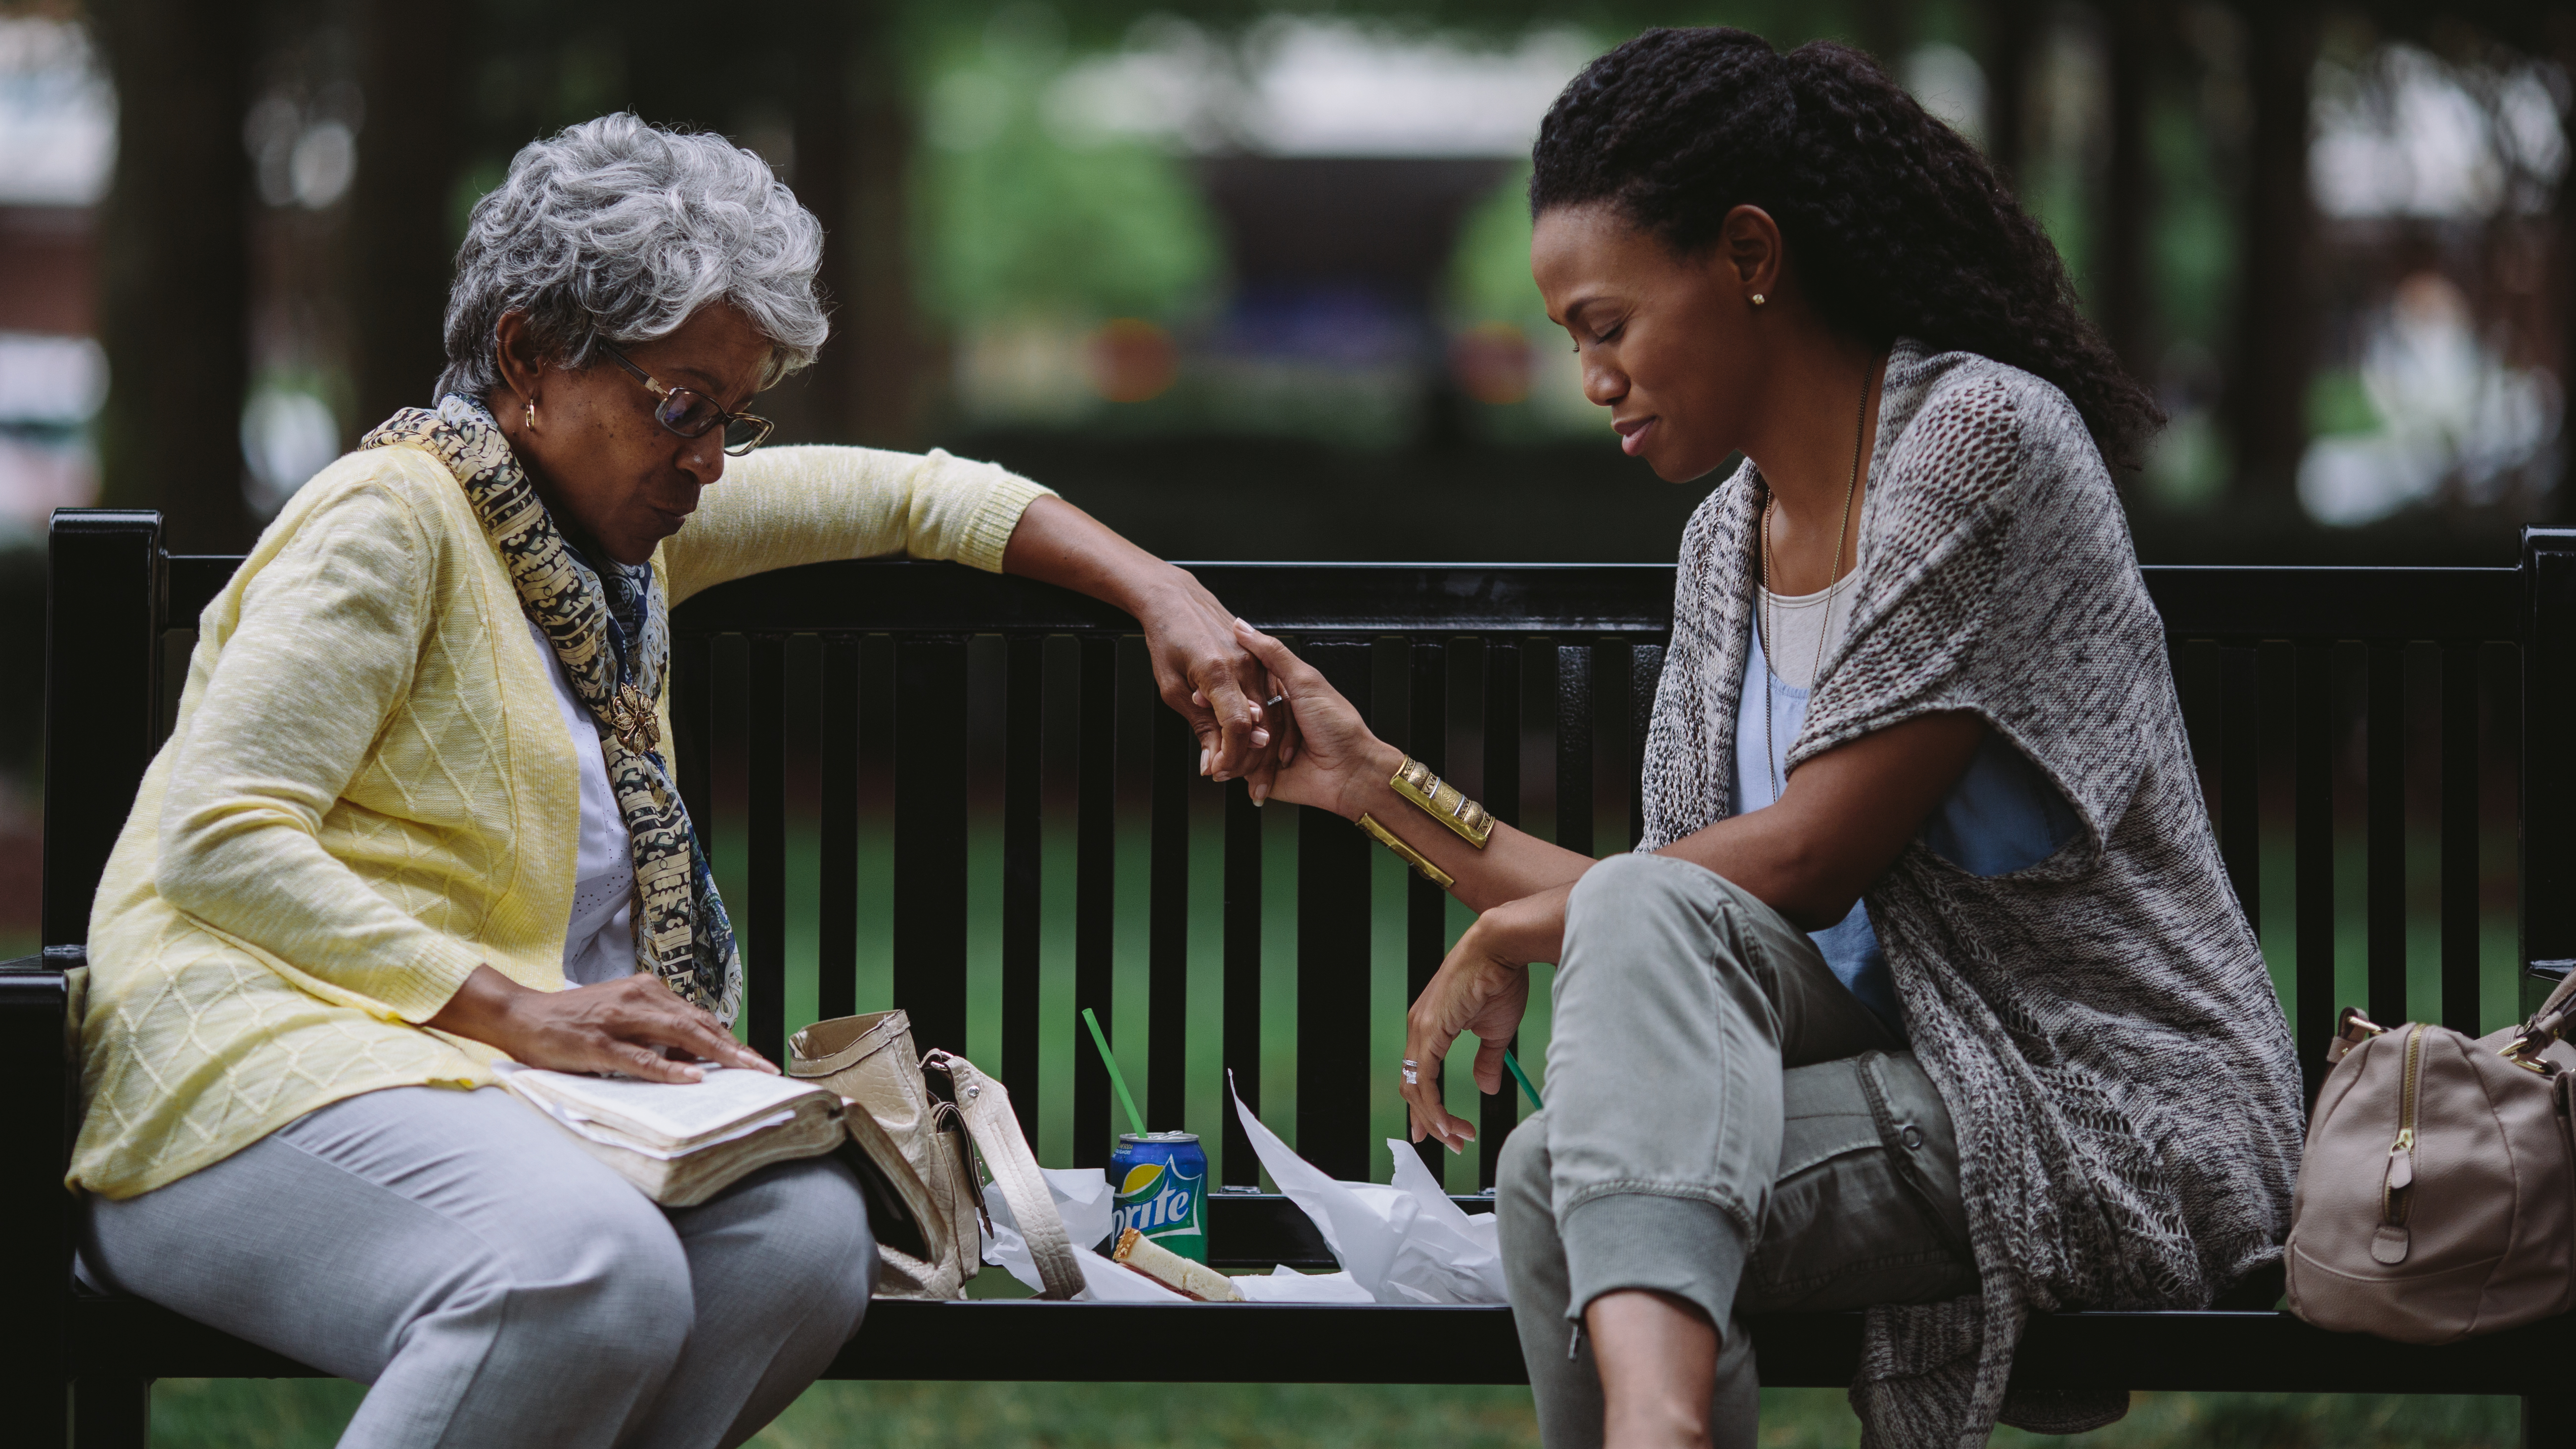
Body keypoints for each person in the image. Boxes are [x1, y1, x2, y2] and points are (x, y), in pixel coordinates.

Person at [70, 114, 1281, 1449]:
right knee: (586, 1272)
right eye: (680, 407)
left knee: (800, 1239)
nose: (711, 459)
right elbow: (219, 834)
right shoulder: (392, 519)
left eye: (733, 415)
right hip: (253, 1073)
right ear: (528, 354)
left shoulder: (614, 557)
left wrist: (1164, 591)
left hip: (506, 1086)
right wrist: (516, 1008)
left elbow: (923, 496)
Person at [1224, 29, 2303, 1449]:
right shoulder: (1723, 543)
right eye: (1570, 341)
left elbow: (1792, 860)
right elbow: (1676, 907)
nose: (1590, 376)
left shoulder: (1977, 440)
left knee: (1561, 1179)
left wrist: (1510, 936)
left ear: (1745, 255)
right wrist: (1371, 783)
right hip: (1884, 1071)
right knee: (1567, 1151)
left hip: (2094, 1100)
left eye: (1606, 324)